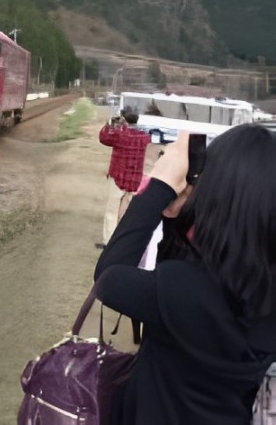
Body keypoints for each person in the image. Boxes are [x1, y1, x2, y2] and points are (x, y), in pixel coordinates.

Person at [93, 124, 276, 424]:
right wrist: (173, 220)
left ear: (217, 195)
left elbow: (108, 276)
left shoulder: (184, 288)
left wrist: (160, 188)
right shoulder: (258, 297)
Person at [98, 107, 150, 246]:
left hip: (118, 177)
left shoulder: (119, 135)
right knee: (127, 213)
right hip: (135, 179)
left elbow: (103, 138)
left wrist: (110, 124)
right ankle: (122, 242)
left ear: (123, 119)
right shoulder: (144, 137)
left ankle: (108, 241)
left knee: (112, 211)